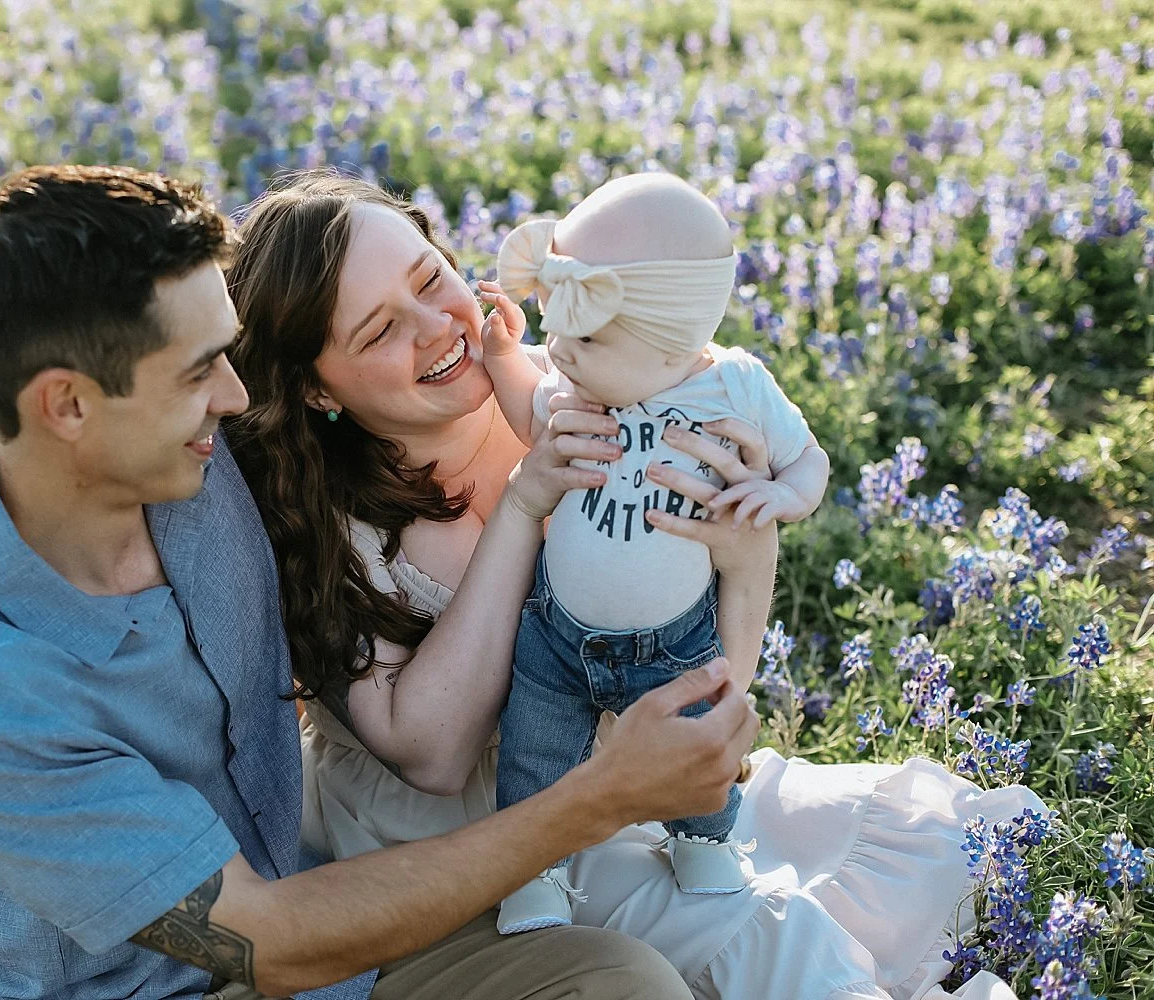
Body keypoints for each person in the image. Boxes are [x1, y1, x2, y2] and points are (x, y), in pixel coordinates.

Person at [0, 163, 755, 1000]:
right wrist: (596, 799)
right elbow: (261, 941)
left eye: (228, 353)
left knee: (618, 983)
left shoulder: (201, 465)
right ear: (67, 405)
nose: (236, 398)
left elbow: (383, 379)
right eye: (198, 371)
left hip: (339, 929)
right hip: (204, 973)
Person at [223, 170, 1041, 1000]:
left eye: (431, 279)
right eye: (381, 330)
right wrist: (525, 505)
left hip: (633, 765)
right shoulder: (323, 521)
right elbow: (433, 755)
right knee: (770, 933)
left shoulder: (591, 389)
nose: (437, 328)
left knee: (934, 847)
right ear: (315, 386)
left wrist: (745, 551)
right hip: (464, 838)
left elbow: (712, 678)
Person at [477, 171, 832, 926]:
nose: (556, 351)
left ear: (674, 344)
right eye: (552, 329)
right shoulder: (576, 388)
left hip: (674, 642)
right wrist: (505, 354)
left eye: (583, 337)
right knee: (534, 753)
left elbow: (808, 457)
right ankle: (533, 873)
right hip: (554, 635)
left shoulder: (736, 388)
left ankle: (702, 840)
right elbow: (528, 415)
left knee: (697, 741)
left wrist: (784, 496)